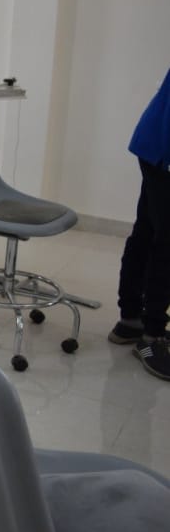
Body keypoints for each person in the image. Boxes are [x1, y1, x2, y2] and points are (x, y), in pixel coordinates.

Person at [108, 67, 170, 381]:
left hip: (156, 145)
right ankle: (151, 335)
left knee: (147, 232)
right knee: (165, 242)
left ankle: (131, 320)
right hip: (164, 149)